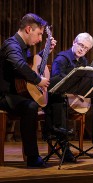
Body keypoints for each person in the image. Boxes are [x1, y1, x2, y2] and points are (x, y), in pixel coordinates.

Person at [0, 13, 57, 167]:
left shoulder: (23, 48)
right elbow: (20, 65)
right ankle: (32, 158)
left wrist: (45, 52)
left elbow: (29, 65)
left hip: (17, 93)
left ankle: (60, 145)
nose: (40, 39)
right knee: (30, 106)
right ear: (27, 29)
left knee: (55, 98)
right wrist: (38, 80)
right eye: (38, 34)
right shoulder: (11, 45)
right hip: (4, 95)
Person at [43, 32, 93, 162]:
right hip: (59, 98)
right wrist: (73, 80)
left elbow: (91, 76)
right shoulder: (62, 58)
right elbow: (55, 80)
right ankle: (64, 147)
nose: (82, 50)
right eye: (80, 45)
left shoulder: (83, 60)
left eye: (86, 48)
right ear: (74, 42)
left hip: (74, 99)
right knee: (59, 98)